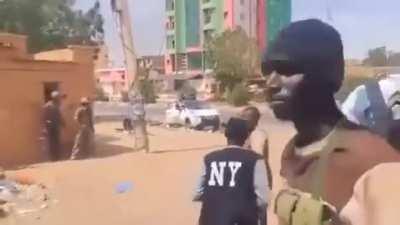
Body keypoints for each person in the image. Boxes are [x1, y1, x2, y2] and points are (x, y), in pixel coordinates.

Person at [262, 18, 400, 213]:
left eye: (287, 70)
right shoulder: (293, 152)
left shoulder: (371, 158)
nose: (271, 82)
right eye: (267, 71)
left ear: (323, 74)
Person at [193, 118, 269, 225]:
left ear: (226, 135)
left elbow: (197, 193)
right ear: (246, 137)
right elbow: (263, 200)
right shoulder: (255, 160)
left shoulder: (209, 158)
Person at [240, 106, 273, 189]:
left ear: (254, 119)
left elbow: (260, 159)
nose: (242, 120)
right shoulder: (243, 134)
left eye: (245, 117)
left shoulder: (258, 135)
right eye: (242, 117)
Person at [42, 91, 65, 161]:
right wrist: (45, 125)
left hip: (56, 126)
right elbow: (44, 117)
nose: (58, 99)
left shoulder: (57, 106)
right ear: (53, 98)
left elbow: (59, 116)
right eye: (57, 98)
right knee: (51, 142)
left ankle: (57, 157)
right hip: (50, 126)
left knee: (57, 141)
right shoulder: (48, 105)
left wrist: (63, 123)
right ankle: (52, 158)